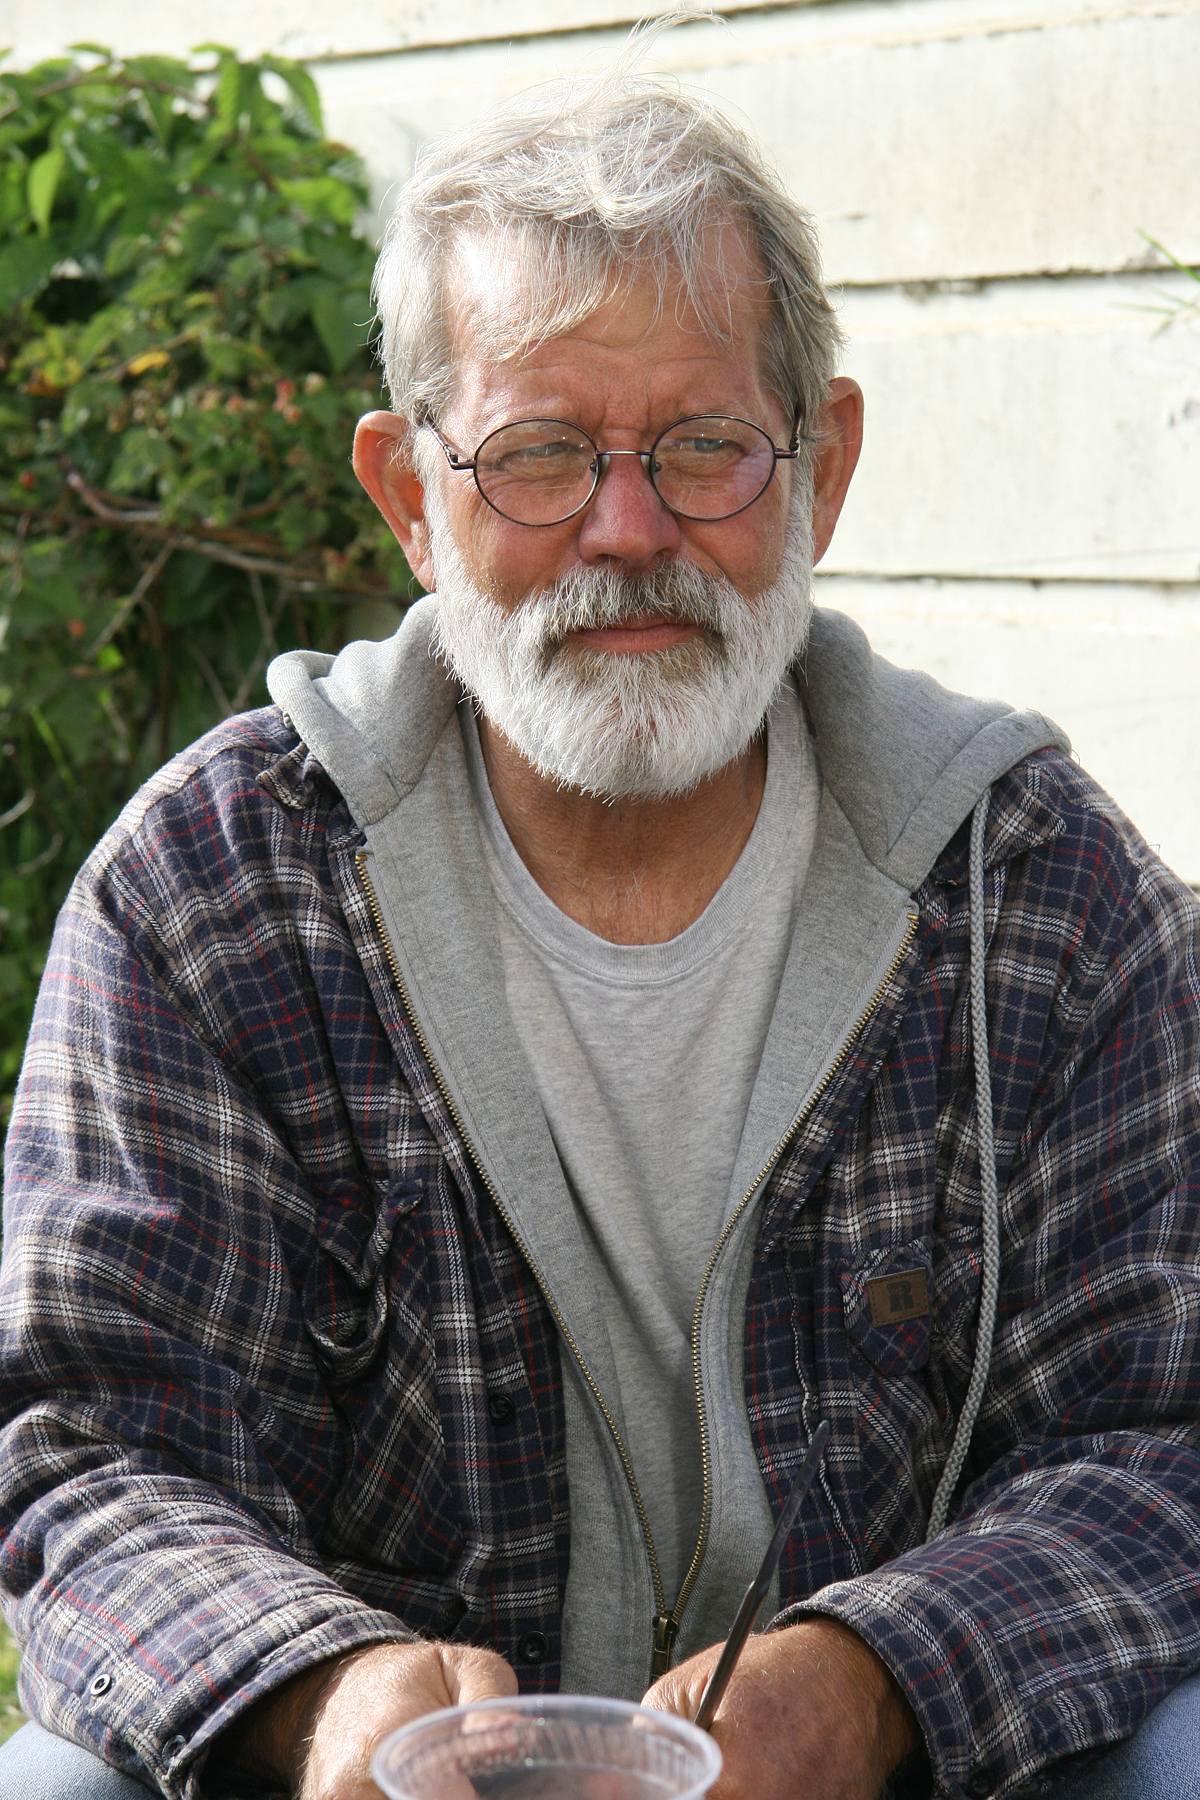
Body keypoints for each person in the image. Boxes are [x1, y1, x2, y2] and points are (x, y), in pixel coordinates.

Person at [2, 41, 1199, 1800]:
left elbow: (1163, 1432)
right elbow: (86, 1442)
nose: (625, 534)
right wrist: (326, 1697)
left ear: (822, 465)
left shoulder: (1035, 891)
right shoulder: (216, 893)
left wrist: (880, 1677)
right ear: (411, 499)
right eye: (539, 458)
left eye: (704, 447)